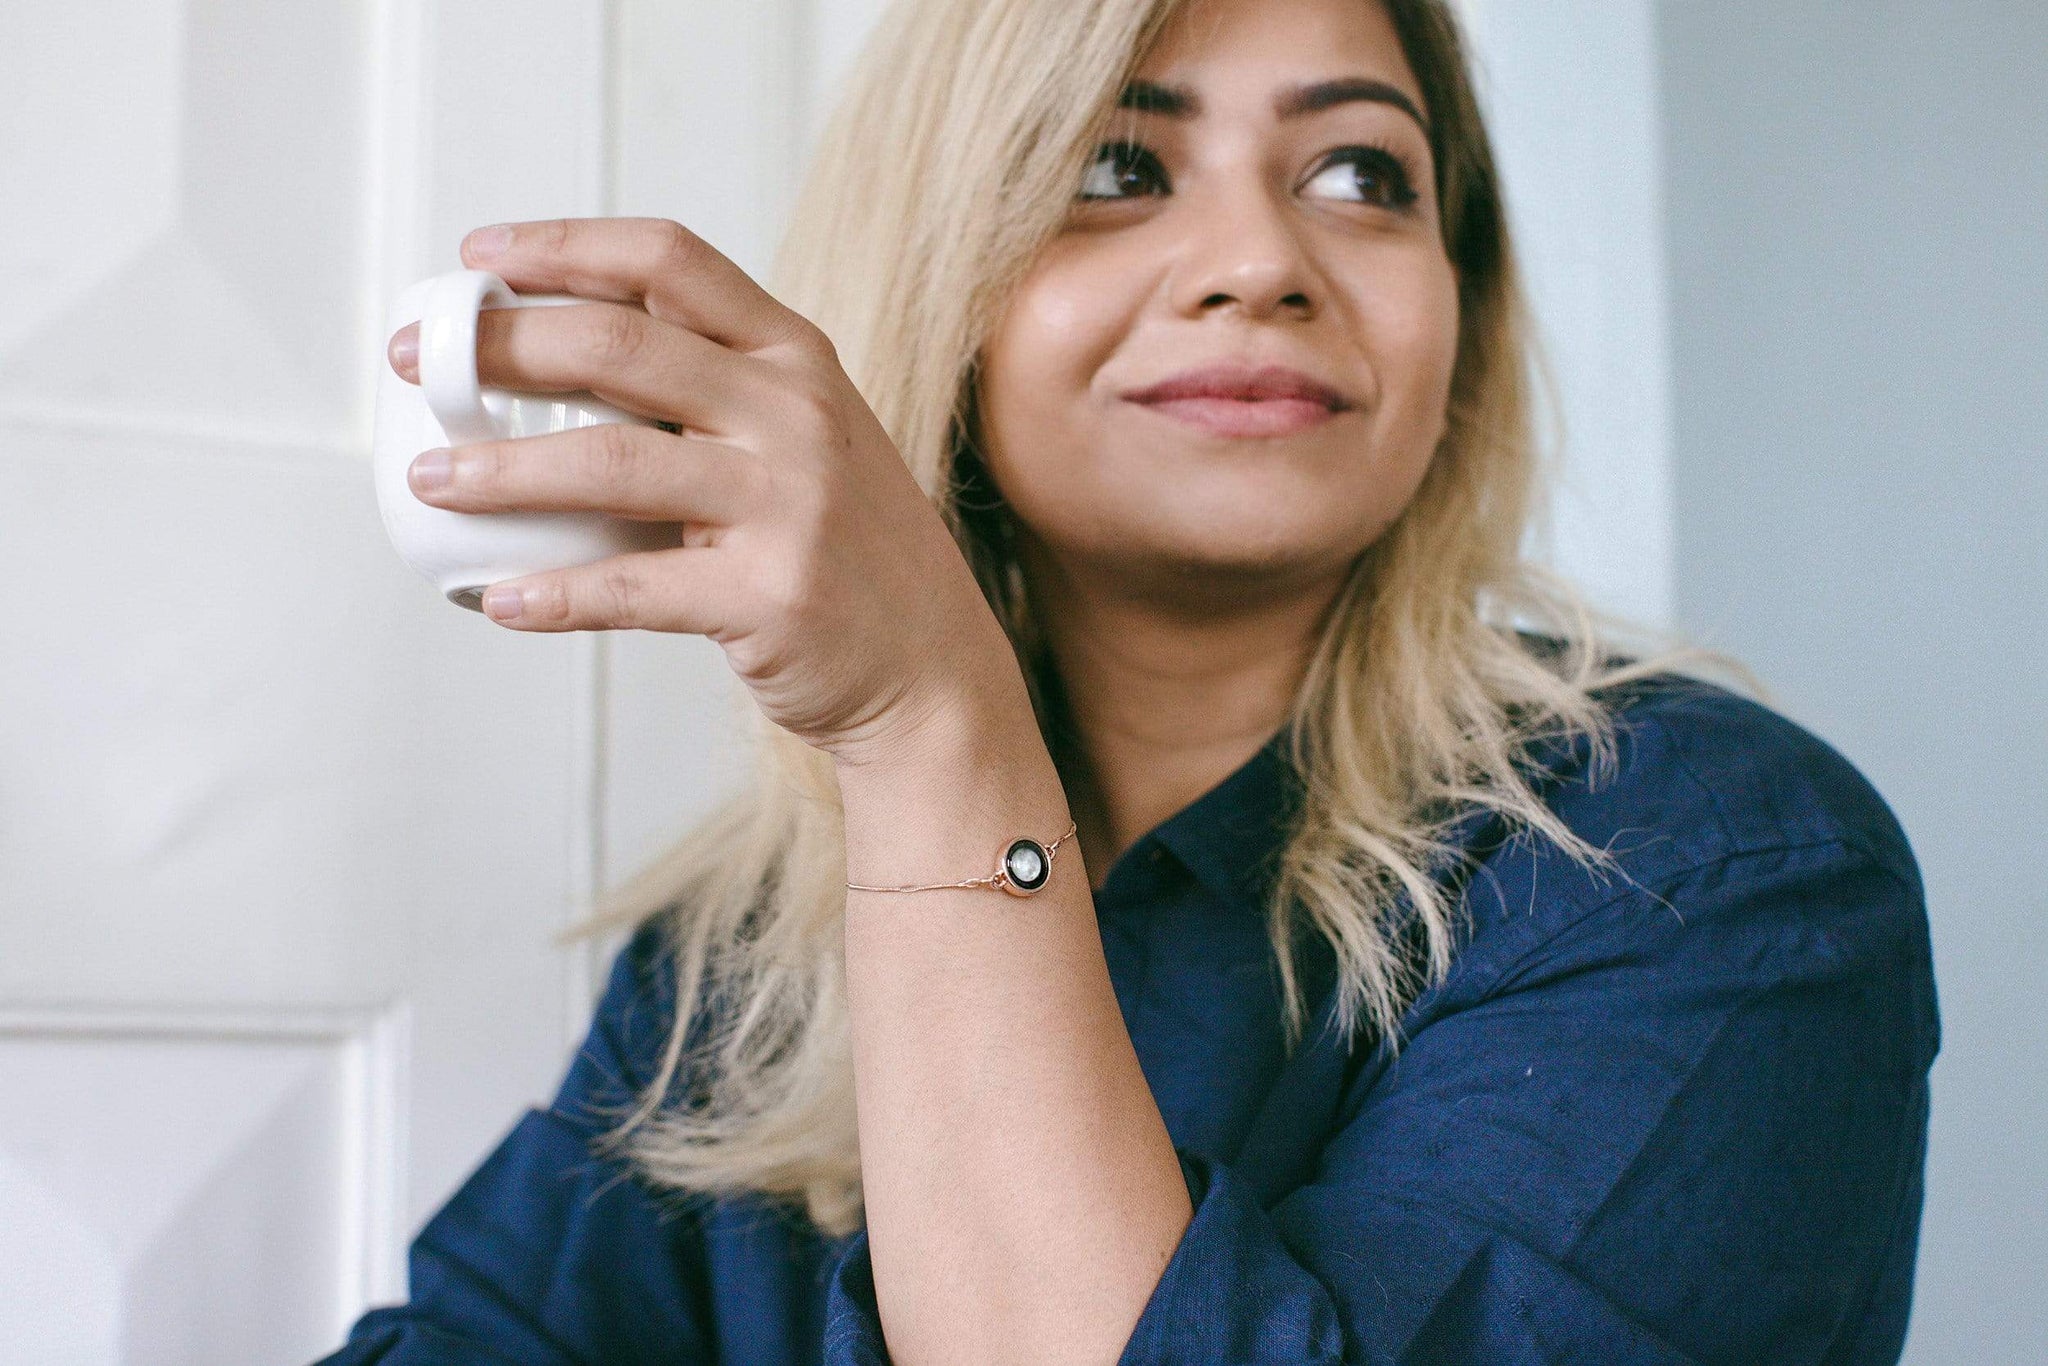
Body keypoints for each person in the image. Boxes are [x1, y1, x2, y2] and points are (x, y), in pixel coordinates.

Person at [319, 0, 1939, 1360]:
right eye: (1116, 165)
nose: (1259, 260)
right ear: (941, 270)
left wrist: (934, 731)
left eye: (1362, 171)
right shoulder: (749, 947)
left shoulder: (1708, 866)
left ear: (1468, 308)